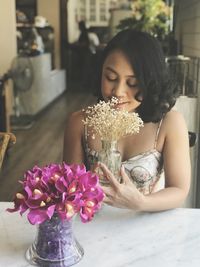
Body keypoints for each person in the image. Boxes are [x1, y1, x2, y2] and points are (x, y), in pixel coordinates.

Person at [63, 29, 191, 212]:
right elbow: (69, 190)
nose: (118, 92)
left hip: (144, 223)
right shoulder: (80, 122)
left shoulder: (169, 123)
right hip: (93, 225)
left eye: (132, 83)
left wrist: (141, 203)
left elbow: (179, 190)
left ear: (151, 81)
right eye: (111, 78)